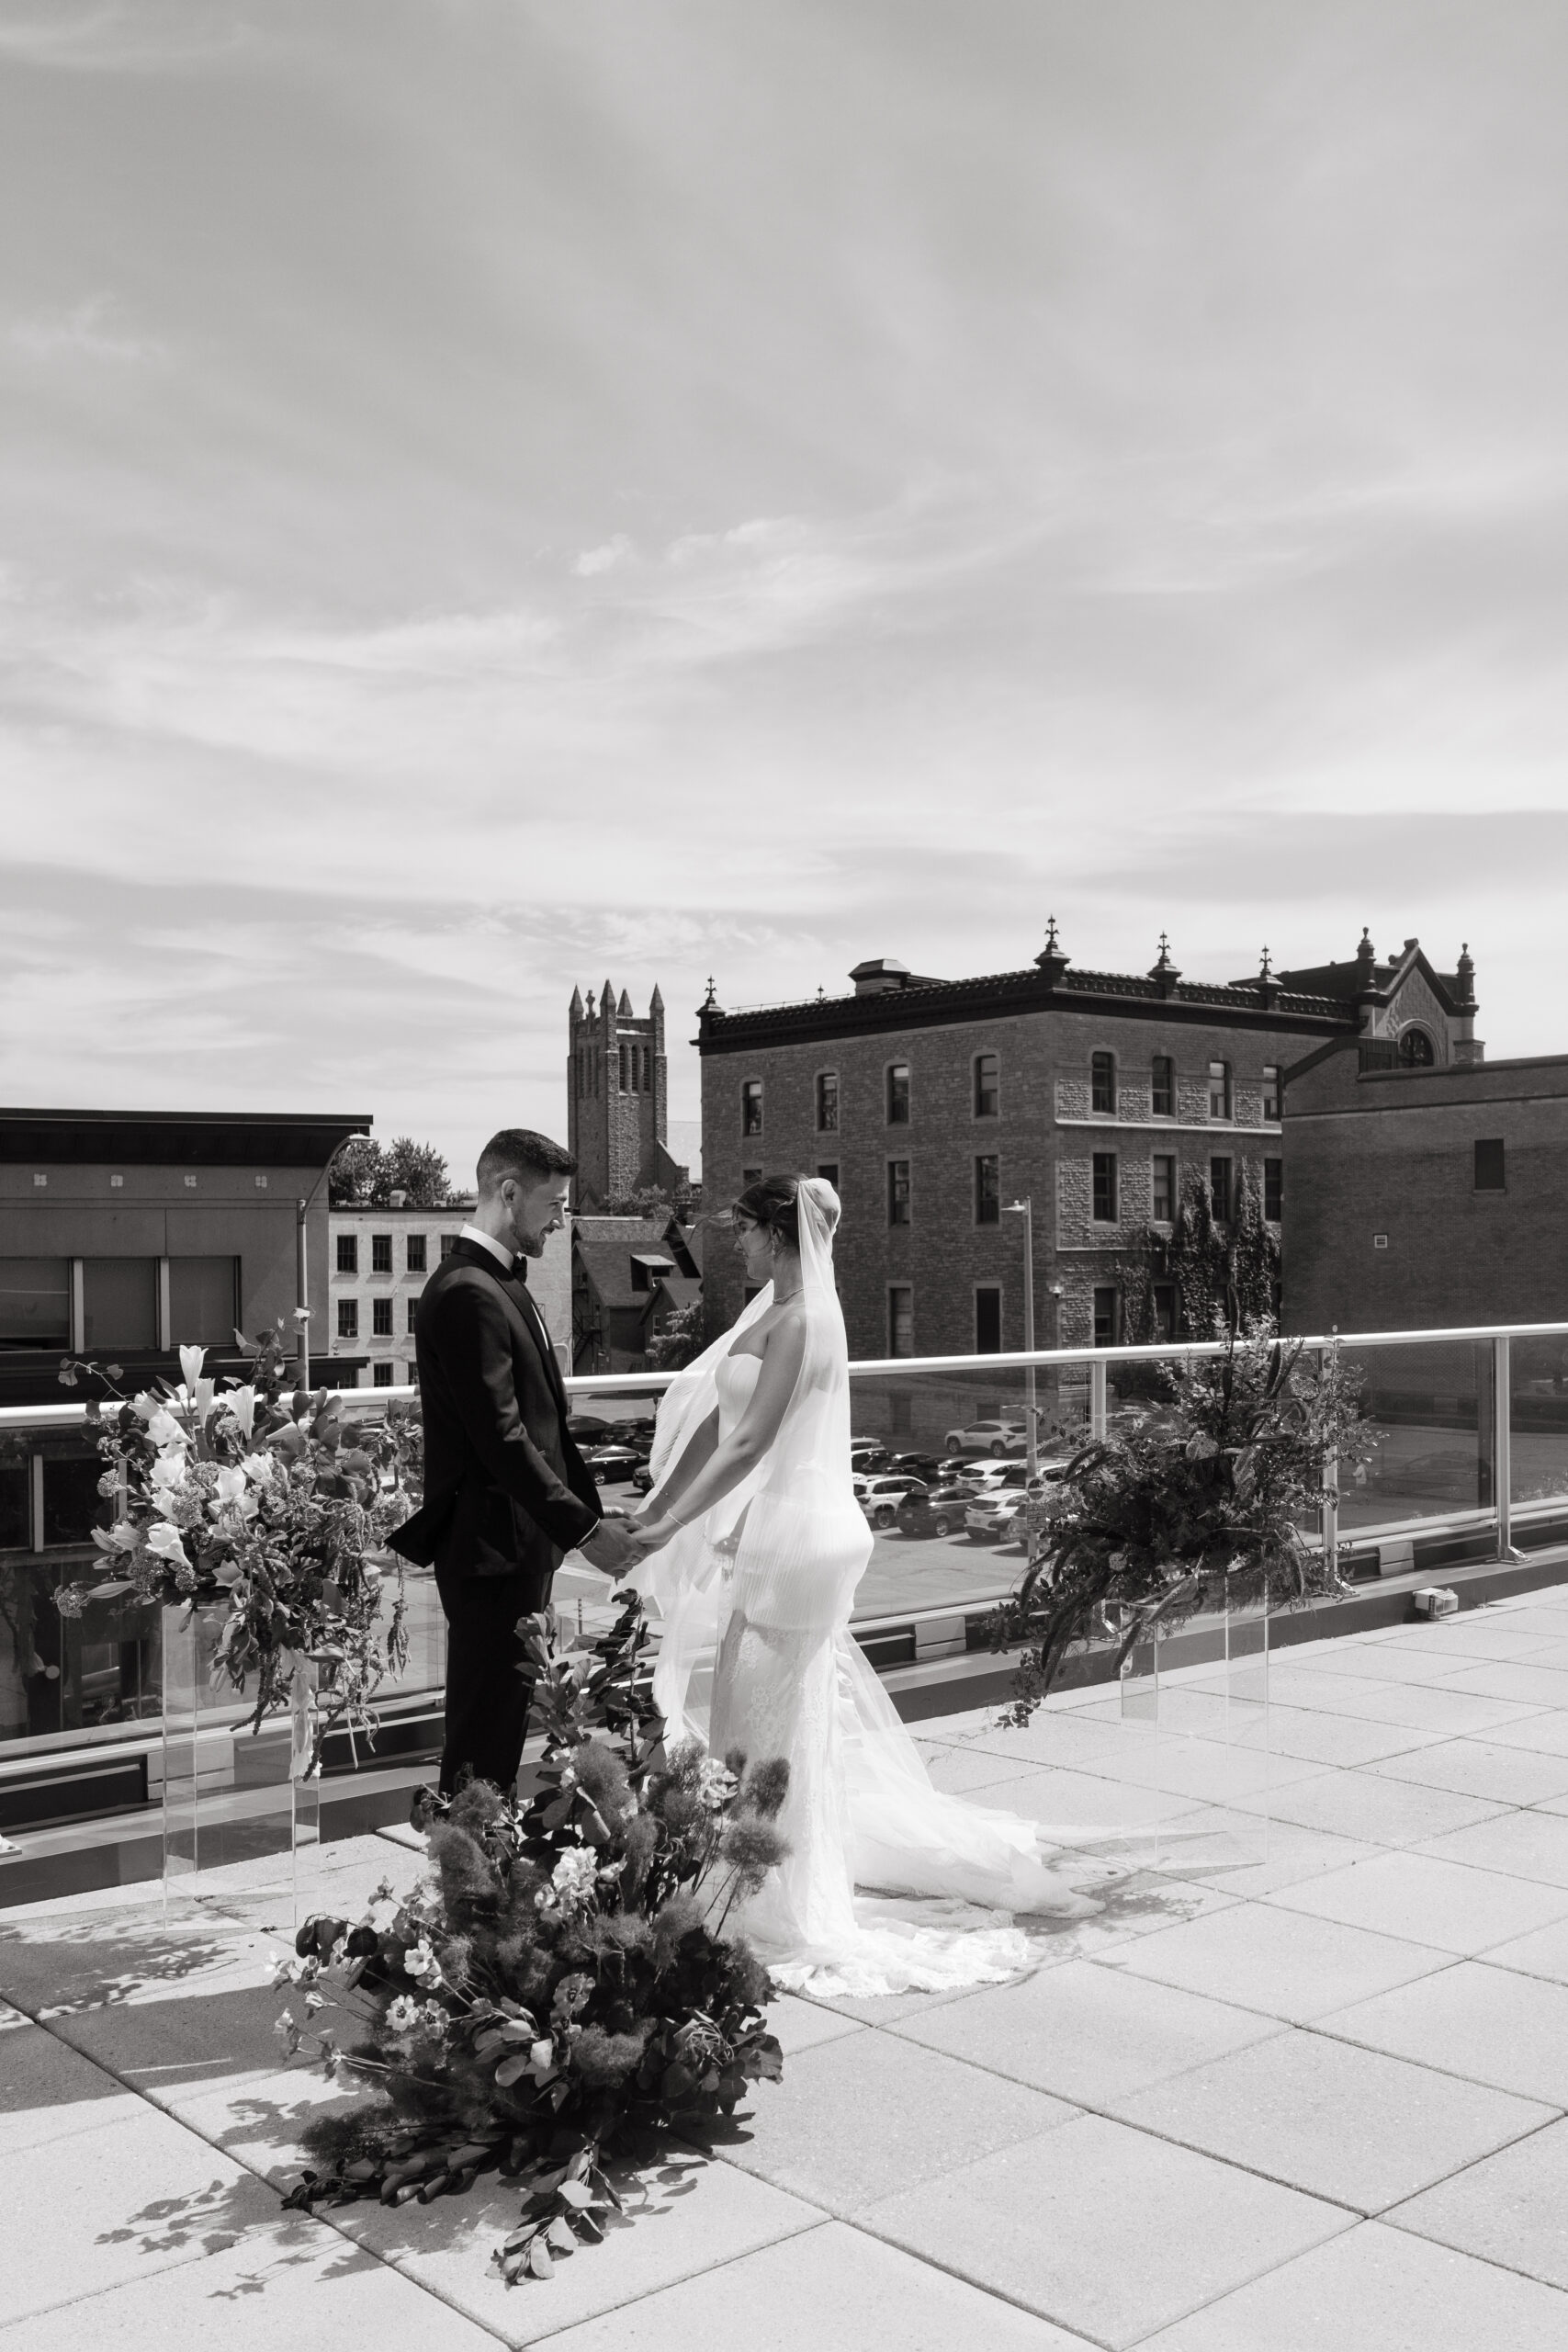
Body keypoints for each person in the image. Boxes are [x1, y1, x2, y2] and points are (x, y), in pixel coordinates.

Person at [627, 1172, 1100, 1998]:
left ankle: (779, 1899)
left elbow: (750, 1445)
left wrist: (666, 1528)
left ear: (777, 1234)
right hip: (773, 1532)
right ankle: (752, 1878)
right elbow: (714, 1424)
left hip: (801, 1538)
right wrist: (652, 1509)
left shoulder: (806, 1318)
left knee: (764, 1725)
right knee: (754, 1716)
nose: (734, 1243)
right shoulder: (770, 1311)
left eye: (743, 1229)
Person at [389, 1128, 638, 1796]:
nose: (561, 1219)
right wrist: (585, 1534)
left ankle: (480, 1851)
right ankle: (468, 1855)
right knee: (483, 1735)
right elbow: (501, 1439)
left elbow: (542, 1426)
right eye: (554, 1203)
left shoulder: (495, 1282)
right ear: (508, 1192)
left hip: (514, 1549)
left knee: (499, 1724)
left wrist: (590, 1514)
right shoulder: (468, 1291)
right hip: (490, 1551)